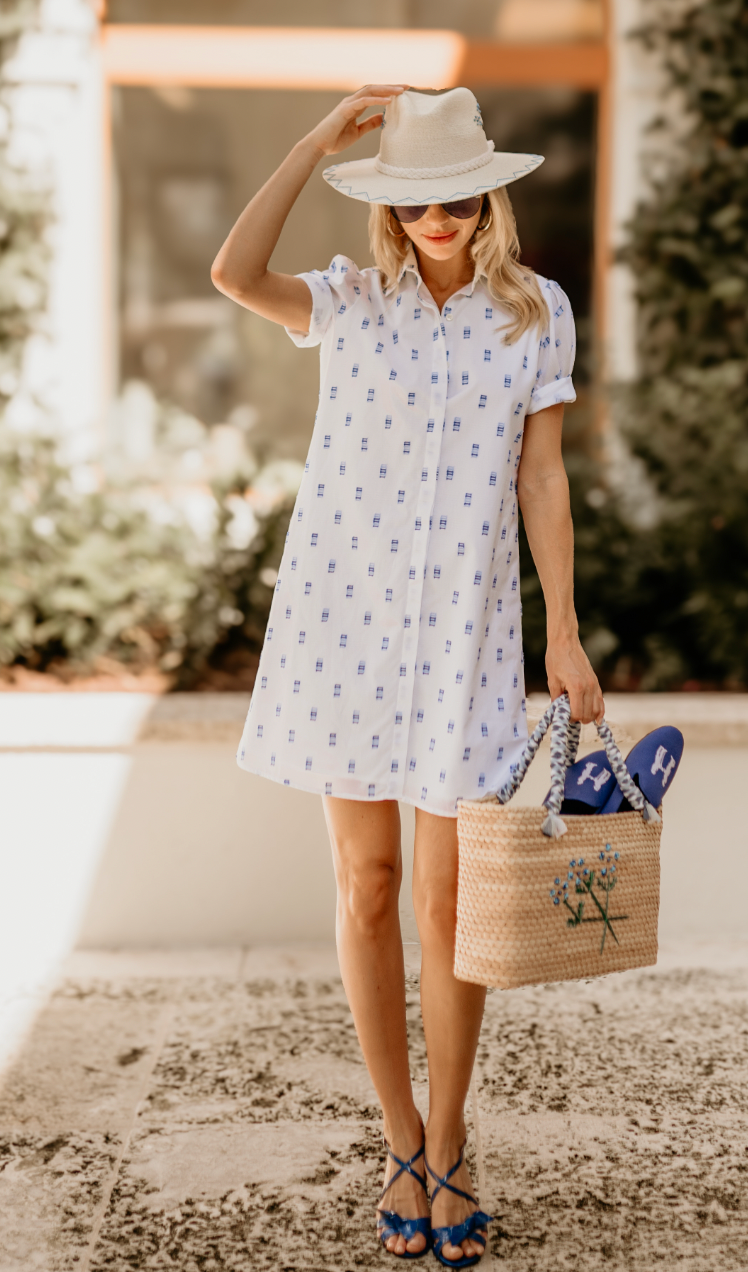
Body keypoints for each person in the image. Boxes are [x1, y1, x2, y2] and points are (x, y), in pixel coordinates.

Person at [211, 85, 604, 1264]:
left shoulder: (535, 314)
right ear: (391, 201)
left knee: (450, 902)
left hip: (466, 642)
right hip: (347, 631)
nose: (441, 211)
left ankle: (451, 1135)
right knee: (368, 884)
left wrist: (565, 631)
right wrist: (318, 139)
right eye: (417, 191)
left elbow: (542, 479)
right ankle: (400, 1140)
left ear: (489, 192)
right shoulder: (348, 301)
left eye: (460, 189)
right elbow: (235, 273)